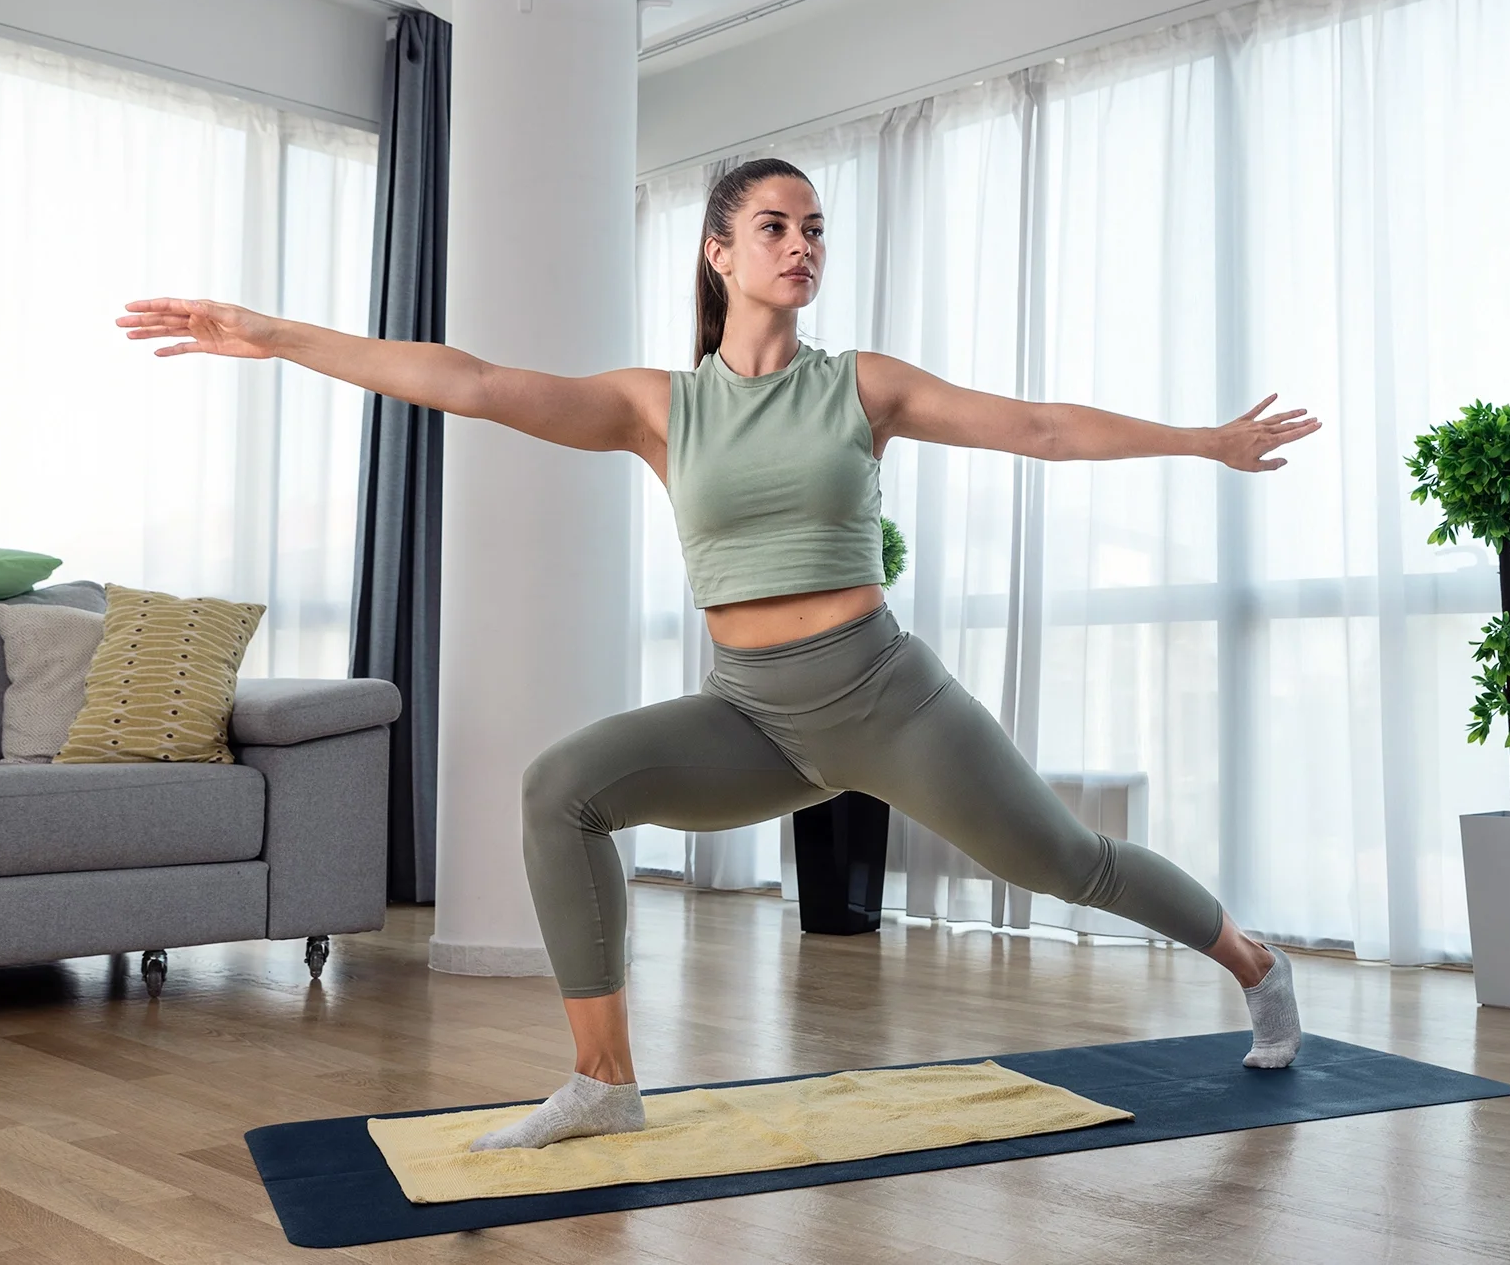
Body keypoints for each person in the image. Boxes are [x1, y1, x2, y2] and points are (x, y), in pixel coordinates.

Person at [116, 156, 1323, 1151]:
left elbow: (1040, 428)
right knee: (559, 790)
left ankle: (1250, 959)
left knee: (1067, 861)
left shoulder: (863, 386)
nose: (801, 246)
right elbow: (473, 383)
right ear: (719, 253)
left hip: (888, 696)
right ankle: (604, 1080)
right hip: (753, 714)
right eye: (773, 227)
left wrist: (1204, 441)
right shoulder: (662, 407)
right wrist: (273, 335)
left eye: (813, 231)